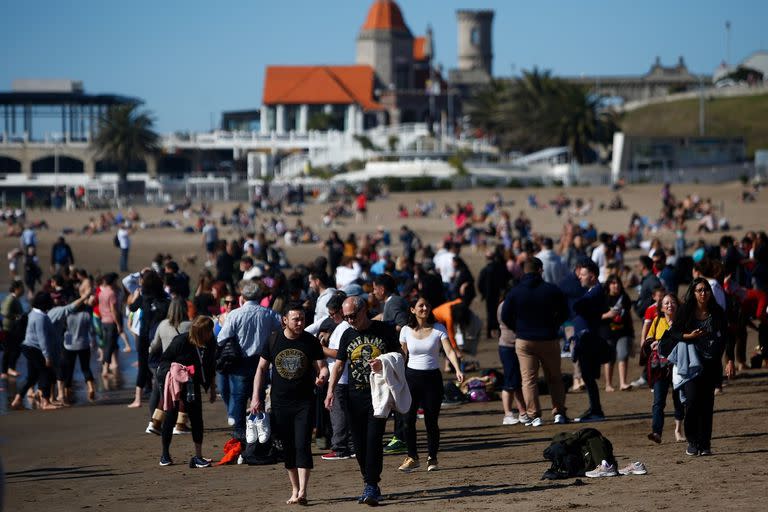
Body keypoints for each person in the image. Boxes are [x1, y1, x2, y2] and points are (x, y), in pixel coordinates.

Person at [324, 296, 401, 506]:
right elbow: (339, 365)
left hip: (379, 397)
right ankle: (368, 481)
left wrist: (383, 362)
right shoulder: (347, 334)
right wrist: (330, 391)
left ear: (363, 311)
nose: (349, 320)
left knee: (373, 440)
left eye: (352, 316)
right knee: (358, 444)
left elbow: (401, 357)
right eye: (346, 316)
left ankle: (372, 485)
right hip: (353, 397)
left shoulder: (384, 330)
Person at [251, 303, 328, 505]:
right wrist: (256, 397)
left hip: (304, 402)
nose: (300, 323)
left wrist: (322, 377)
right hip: (280, 402)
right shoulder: (274, 339)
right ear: (285, 320)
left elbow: (323, 367)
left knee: (302, 444)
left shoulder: (310, 342)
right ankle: (294, 489)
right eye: (296, 319)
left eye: (302, 319)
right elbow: (260, 369)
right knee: (288, 447)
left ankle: (303, 491)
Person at [659, 278, 735, 456]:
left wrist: (730, 360)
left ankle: (705, 443)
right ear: (693, 293)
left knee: (707, 405)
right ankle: (693, 441)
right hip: (693, 364)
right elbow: (674, 332)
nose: (703, 293)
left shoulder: (717, 312)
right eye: (699, 290)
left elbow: (728, 337)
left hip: (712, 363)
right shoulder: (686, 311)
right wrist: (689, 335)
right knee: (692, 402)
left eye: (706, 290)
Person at [397, 296, 463, 472]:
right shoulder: (405, 330)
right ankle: (412, 457)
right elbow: (402, 355)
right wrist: (394, 373)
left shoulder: (438, 328)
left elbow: (449, 350)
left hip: (432, 379)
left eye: (427, 305)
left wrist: (457, 369)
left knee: (431, 421)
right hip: (411, 378)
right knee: (407, 420)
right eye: (420, 305)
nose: (424, 308)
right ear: (412, 309)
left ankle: (432, 458)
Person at [501, 257, 569, 427]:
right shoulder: (551, 290)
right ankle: (558, 412)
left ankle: (534, 415)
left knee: (528, 380)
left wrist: (518, 329)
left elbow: (505, 316)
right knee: (554, 377)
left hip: (524, 340)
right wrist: (554, 325)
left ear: (524, 271)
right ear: (540, 270)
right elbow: (564, 312)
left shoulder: (515, 292)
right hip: (548, 338)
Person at [216, 280, 281, 440]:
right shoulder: (269, 314)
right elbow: (281, 330)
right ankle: (261, 434)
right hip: (262, 362)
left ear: (243, 297)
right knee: (258, 397)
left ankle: (241, 435)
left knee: (239, 399)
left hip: (240, 362)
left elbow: (221, 339)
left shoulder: (235, 314)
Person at [157, 316, 217, 467]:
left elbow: (211, 365)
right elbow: (164, 360)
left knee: (197, 418)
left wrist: (212, 388)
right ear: (201, 331)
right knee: (170, 417)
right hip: (175, 384)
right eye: (209, 331)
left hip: (193, 384)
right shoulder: (181, 341)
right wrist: (175, 372)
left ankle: (198, 456)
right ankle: (165, 454)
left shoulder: (210, 342)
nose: (211, 334)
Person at [642, 293, 685, 444]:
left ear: (677, 306)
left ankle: (678, 430)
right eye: (666, 303)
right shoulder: (657, 321)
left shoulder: (682, 322)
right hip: (660, 367)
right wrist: (652, 342)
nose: (669, 305)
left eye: (672, 302)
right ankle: (657, 432)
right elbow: (648, 340)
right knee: (658, 401)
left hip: (678, 365)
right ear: (661, 307)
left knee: (678, 399)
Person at [146, 297, 191, 435]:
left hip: (165, 365)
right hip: (182, 367)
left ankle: (155, 423)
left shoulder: (163, 324)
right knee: (184, 396)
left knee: (166, 396)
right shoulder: (189, 325)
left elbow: (154, 346)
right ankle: (180, 424)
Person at [572, 259, 609, 422]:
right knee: (587, 376)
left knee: (588, 375)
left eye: (583, 274)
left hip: (589, 339)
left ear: (592, 276)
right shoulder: (592, 291)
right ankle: (595, 408)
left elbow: (578, 306)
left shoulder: (595, 292)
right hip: (586, 338)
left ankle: (596, 410)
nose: (580, 277)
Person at [127, 270, 170, 408]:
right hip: (160, 336)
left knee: (143, 365)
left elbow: (132, 308)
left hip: (144, 335)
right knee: (159, 365)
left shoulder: (143, 296)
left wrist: (136, 296)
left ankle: (138, 399)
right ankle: (163, 394)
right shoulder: (164, 298)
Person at [10, 292, 58, 410]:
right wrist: (47, 356)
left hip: (29, 347)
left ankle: (18, 398)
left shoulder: (33, 313)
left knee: (32, 377)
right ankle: (45, 402)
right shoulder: (40, 317)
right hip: (35, 349)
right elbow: (42, 338)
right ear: (45, 303)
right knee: (45, 372)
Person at [599, 274, 634, 391]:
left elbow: (628, 317)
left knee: (623, 355)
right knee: (609, 358)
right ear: (608, 285)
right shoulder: (602, 298)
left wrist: (632, 335)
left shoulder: (625, 297)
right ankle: (608, 384)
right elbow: (595, 316)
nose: (616, 285)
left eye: (618, 283)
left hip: (623, 332)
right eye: (613, 283)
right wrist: (607, 315)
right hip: (607, 332)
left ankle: (623, 383)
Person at [497, 298, 528, 425]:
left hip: (515, 344)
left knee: (515, 381)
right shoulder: (505, 306)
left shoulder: (512, 303)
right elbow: (509, 324)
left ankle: (521, 412)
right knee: (511, 382)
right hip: (508, 345)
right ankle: (510, 414)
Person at [97, 273, 123, 377]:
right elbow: (113, 310)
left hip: (103, 320)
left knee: (107, 344)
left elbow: (100, 307)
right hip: (111, 321)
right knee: (109, 346)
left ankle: (106, 367)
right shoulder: (112, 293)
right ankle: (105, 370)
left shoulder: (102, 292)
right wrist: (118, 324)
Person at [1, 280, 25, 379]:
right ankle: (5, 371)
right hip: (9, 329)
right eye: (22, 288)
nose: (23, 290)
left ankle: (9, 369)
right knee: (9, 350)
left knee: (14, 349)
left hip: (12, 329)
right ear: (17, 289)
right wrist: (16, 317)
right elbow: (5, 312)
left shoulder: (14, 298)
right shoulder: (11, 298)